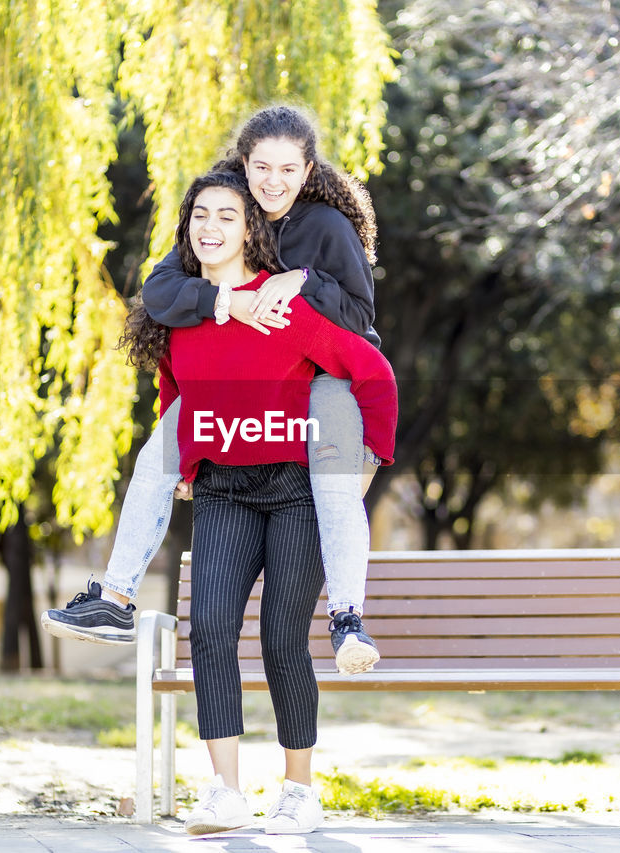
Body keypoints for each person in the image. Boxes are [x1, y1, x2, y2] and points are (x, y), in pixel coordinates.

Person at [42, 105, 385, 675]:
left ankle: (348, 616)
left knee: (334, 480)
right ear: (243, 165)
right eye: (261, 167)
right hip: (251, 381)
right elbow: (161, 290)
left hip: (326, 374)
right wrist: (233, 302)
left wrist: (297, 280)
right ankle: (115, 600)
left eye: (287, 170)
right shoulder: (226, 213)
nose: (272, 182)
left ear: (307, 171)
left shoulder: (326, 227)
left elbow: (359, 316)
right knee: (157, 455)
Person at [125, 170, 396, 834]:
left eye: (227, 216)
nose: (210, 227)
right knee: (209, 630)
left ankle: (299, 790)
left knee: (281, 636)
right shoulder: (184, 308)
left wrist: (367, 462)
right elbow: (175, 389)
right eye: (199, 217)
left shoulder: (282, 304)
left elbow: (372, 371)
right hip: (222, 489)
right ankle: (225, 790)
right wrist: (187, 458)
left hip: (295, 490)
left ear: (251, 230)